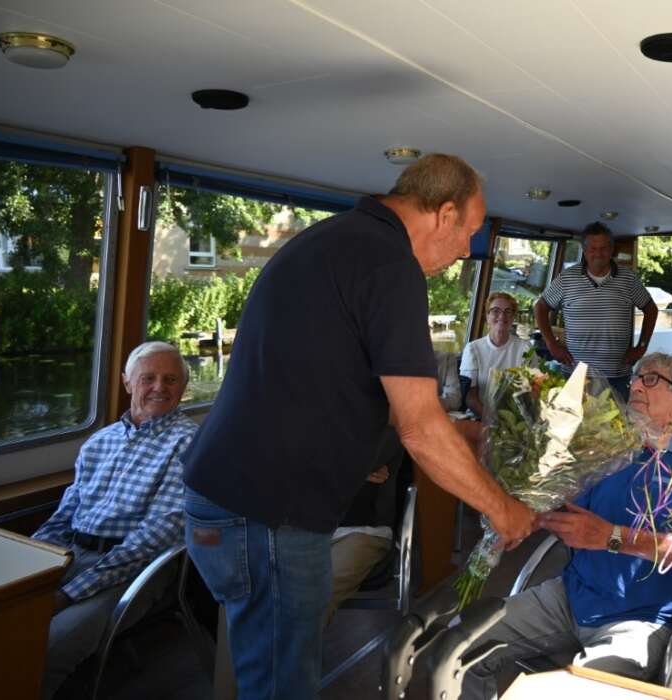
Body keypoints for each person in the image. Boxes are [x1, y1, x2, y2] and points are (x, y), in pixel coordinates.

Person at [180, 154, 535, 700]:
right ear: (443, 214)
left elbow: (366, 392)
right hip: (268, 513)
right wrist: (502, 508)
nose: (467, 249)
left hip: (229, 497)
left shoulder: (336, 238)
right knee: (282, 685)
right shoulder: (391, 265)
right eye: (468, 231)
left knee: (267, 669)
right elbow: (418, 428)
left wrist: (461, 434)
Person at [462, 353, 672, 699]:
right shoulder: (608, 447)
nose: (636, 385)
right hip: (572, 596)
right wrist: (520, 516)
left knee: (579, 693)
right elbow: (570, 511)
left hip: (642, 619)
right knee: (463, 644)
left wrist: (611, 537)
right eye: (635, 377)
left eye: (650, 379)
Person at [32, 342, 197, 699]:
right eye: (148, 378)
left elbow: (156, 536)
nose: (159, 387)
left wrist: (69, 594)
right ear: (127, 382)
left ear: (183, 387)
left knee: (45, 650)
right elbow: (65, 515)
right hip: (68, 554)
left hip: (133, 570)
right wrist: (32, 564)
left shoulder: (189, 444)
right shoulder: (99, 441)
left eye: (171, 379)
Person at [535, 222, 658, 400]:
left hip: (617, 375)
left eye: (604, 248)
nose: (598, 253)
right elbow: (540, 307)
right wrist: (551, 344)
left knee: (618, 418)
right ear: (585, 251)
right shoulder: (567, 278)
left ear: (611, 250)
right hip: (575, 373)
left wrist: (641, 347)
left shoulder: (628, 279)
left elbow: (651, 309)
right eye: (593, 248)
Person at [323, 425, 405, 625]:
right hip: (304, 528)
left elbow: (366, 460)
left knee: (314, 598)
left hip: (361, 532)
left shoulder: (384, 420)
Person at [461, 292, 533, 417]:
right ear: (487, 316)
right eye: (495, 311)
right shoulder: (473, 349)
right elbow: (470, 397)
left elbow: (531, 390)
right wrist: (492, 419)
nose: (502, 316)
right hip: (479, 416)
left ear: (513, 317)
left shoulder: (525, 348)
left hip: (515, 418)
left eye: (508, 312)